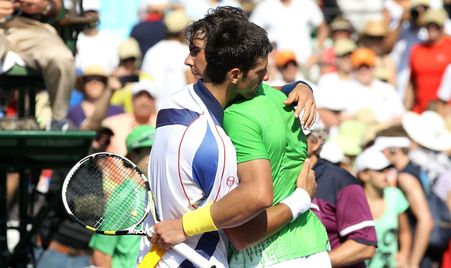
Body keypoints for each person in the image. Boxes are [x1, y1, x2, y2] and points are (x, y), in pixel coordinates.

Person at [146, 7, 329, 267]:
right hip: (201, 258)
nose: (266, 78)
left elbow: (268, 89)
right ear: (234, 74)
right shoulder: (215, 136)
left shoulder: (176, 106)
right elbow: (245, 224)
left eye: (196, 51)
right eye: (260, 71)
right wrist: (302, 198)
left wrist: (299, 86)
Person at [306, 122, 377, 268]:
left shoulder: (341, 181)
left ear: (315, 142)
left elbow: (364, 245)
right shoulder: (274, 178)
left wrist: (311, 265)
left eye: (293, 135)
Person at [0, 0, 75, 130]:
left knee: (61, 57)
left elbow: (57, 8)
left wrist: (45, 6)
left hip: (31, 27)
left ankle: (58, 122)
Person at [90, 125, 155, 268]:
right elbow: (101, 254)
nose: (158, 156)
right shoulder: (124, 196)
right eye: (150, 151)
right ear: (132, 157)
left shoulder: (154, 193)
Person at [355, 148, 412, 268]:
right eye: (380, 170)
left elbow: (405, 231)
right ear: (364, 174)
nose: (386, 175)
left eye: (387, 169)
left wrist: (404, 253)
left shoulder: (395, 195)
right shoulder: (353, 201)